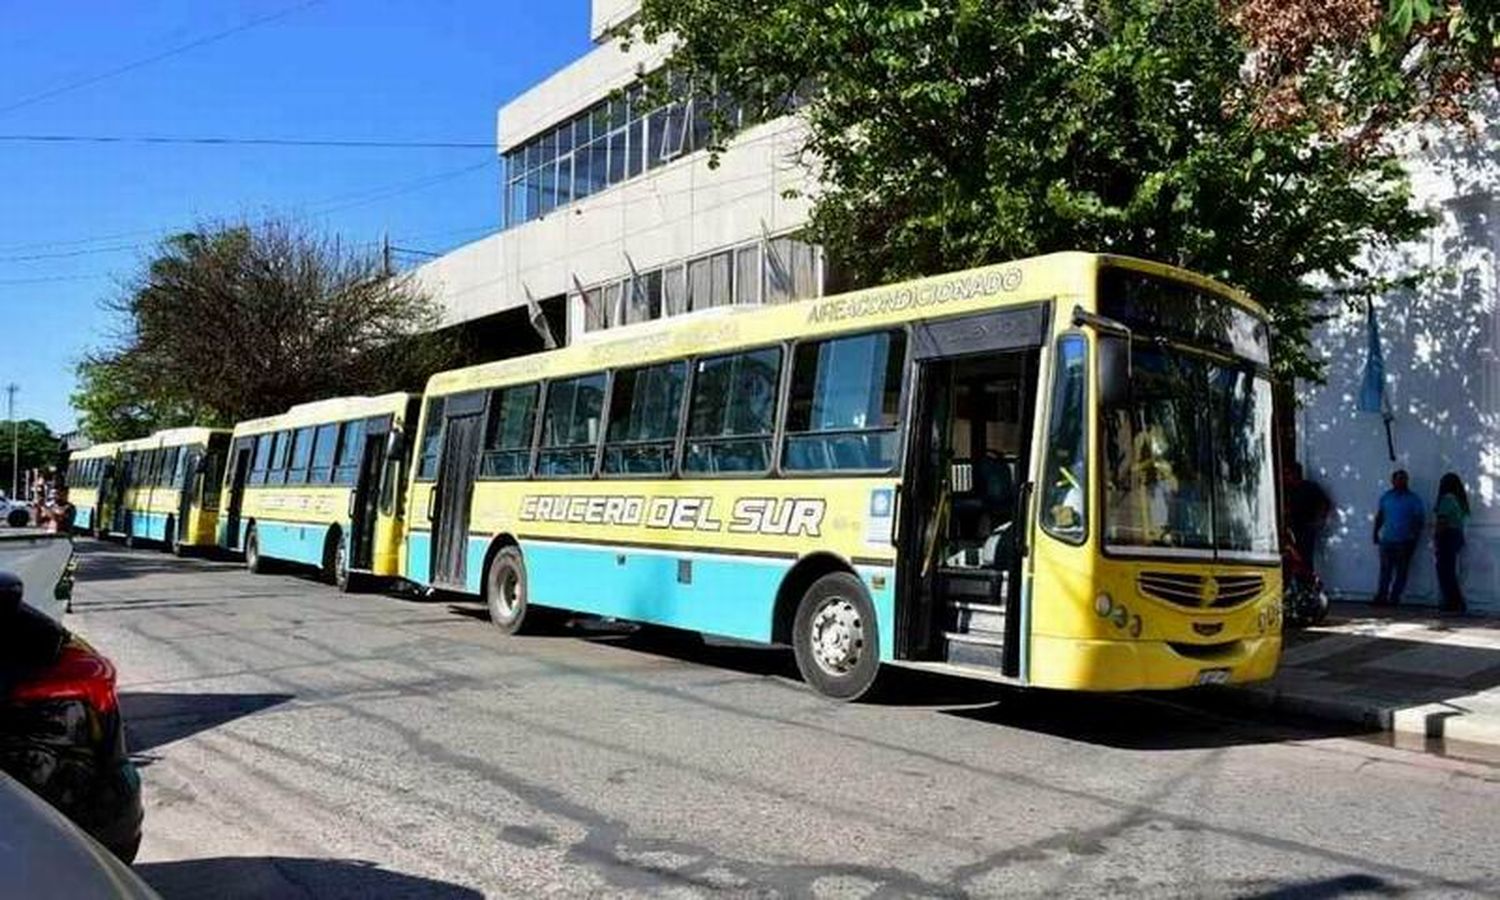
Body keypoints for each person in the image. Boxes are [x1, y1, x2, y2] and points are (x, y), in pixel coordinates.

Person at [1372, 469, 1425, 607]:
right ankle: (1381, 597)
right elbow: (1380, 515)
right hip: (1387, 539)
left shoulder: (1413, 499)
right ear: (1392, 481)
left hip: (1405, 540)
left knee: (1401, 570)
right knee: (1385, 570)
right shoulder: (1386, 497)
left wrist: (1414, 537)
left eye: (1403, 479)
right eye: (1398, 479)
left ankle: (1394, 597)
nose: (1400, 482)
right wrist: (1375, 532)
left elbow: (1419, 520)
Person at [1434, 472, 1470, 615]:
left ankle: (1453, 601)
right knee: (1450, 569)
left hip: (1447, 535)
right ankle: (1455, 601)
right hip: (1457, 534)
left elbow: (1442, 520)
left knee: (1444, 570)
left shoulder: (1446, 499)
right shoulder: (1460, 501)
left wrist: (1436, 537)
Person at [1286, 462, 1331, 565]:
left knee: (1303, 559)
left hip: (1306, 529)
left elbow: (1325, 503)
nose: (1286, 477)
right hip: (1292, 529)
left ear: (1295, 474)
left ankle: (1306, 578)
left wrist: (1320, 521)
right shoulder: (1289, 491)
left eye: (1288, 474)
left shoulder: (1309, 487)